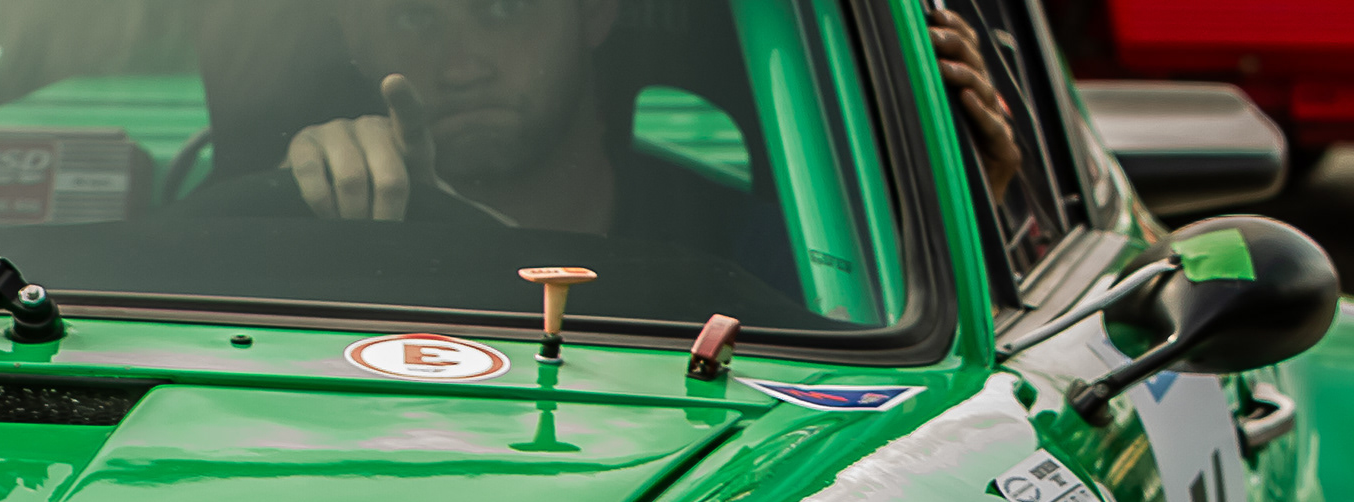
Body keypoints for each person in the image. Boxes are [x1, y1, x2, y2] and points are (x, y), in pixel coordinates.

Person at [272, 0, 1025, 241]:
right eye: (414, 20)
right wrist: (305, 204)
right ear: (354, 37)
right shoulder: (316, 239)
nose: (461, 65)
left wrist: (966, 216)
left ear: (593, 14)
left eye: (501, 10)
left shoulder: (767, 258)